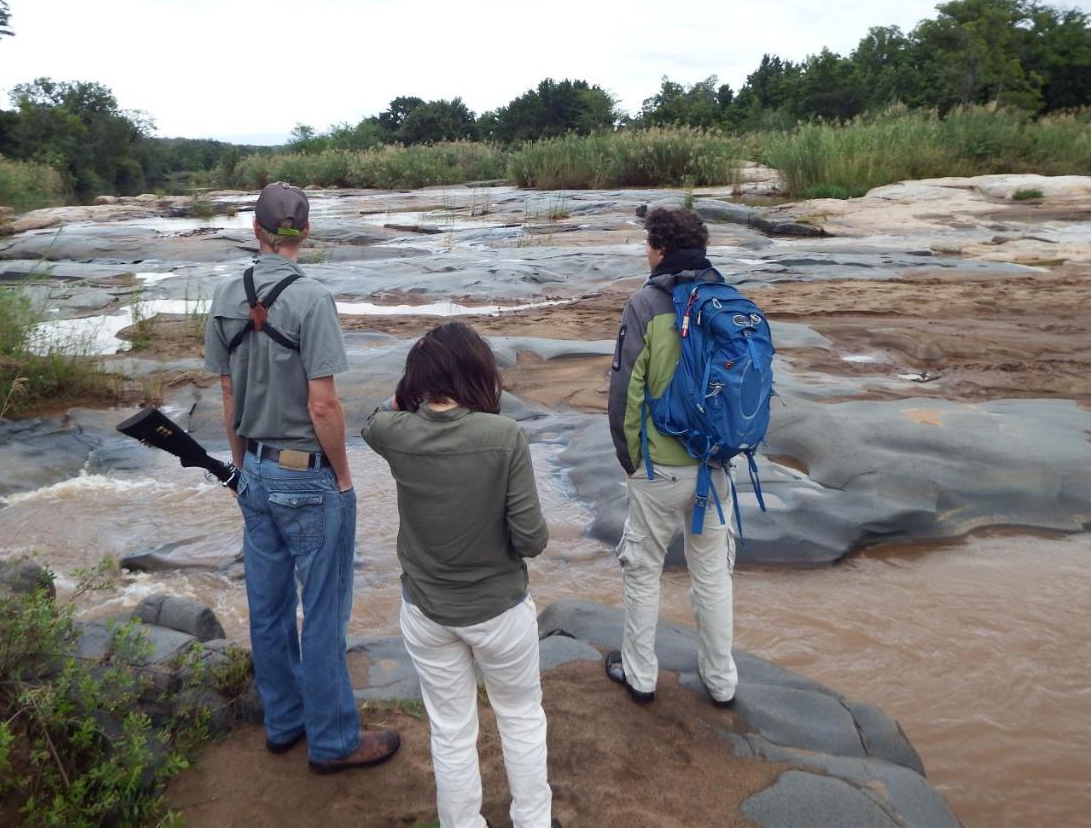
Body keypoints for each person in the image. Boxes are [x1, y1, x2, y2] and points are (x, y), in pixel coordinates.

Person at [203, 181, 400, 774]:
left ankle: (283, 723)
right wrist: (342, 476)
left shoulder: (222, 293)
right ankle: (335, 741)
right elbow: (323, 406)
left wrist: (241, 467)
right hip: (306, 474)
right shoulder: (313, 298)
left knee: (266, 607)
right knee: (324, 610)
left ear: (255, 231)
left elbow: (228, 391)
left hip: (256, 468)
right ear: (305, 232)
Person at [362, 322, 558, 828]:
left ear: (419, 378)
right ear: (480, 371)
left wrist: (406, 392)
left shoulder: (395, 434)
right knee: (520, 720)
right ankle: (533, 821)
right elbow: (532, 539)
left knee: (450, 729)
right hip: (499, 610)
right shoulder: (504, 436)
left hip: (426, 612)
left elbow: (374, 417)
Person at [605, 206, 738, 708]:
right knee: (712, 574)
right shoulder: (726, 297)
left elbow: (625, 392)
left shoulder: (645, 304)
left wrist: (631, 459)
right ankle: (721, 682)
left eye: (647, 244)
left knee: (643, 571)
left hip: (659, 469)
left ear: (659, 248)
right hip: (716, 464)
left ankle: (640, 677)